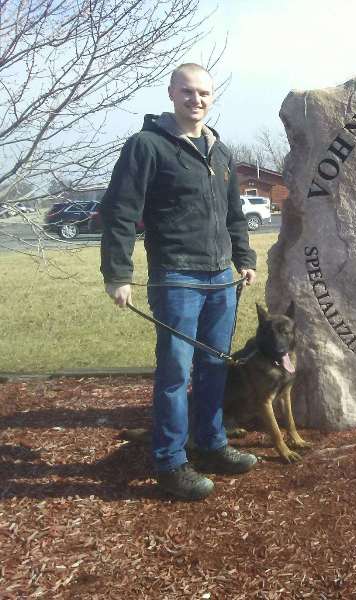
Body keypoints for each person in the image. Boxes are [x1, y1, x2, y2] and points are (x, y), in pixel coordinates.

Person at [100, 63, 258, 500]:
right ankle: (171, 462)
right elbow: (120, 210)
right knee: (174, 373)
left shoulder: (220, 152)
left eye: (204, 93)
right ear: (171, 93)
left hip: (221, 279)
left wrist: (244, 258)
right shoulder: (146, 146)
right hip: (176, 277)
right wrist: (118, 273)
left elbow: (234, 215)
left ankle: (210, 445)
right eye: (188, 92)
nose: (197, 100)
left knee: (214, 367)